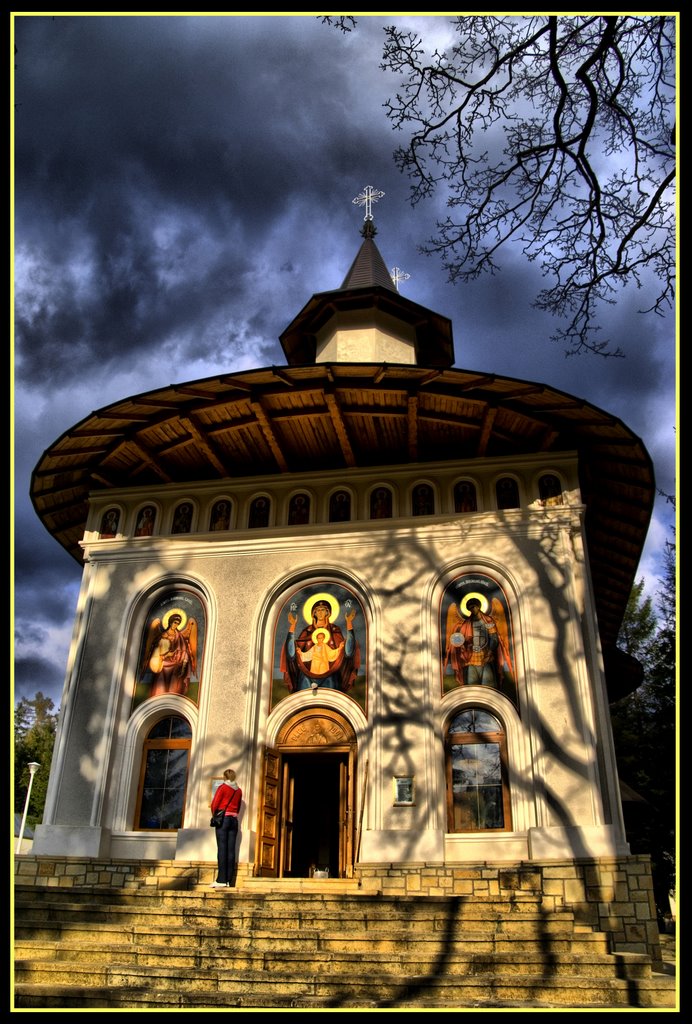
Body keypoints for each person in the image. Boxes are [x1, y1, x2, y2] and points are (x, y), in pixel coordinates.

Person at [281, 598, 359, 692]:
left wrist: (349, 623)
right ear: (314, 613)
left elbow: (346, 652)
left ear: (327, 612)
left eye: (323, 610)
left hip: (330, 675)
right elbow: (293, 653)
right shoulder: (307, 631)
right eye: (318, 610)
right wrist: (292, 626)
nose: (320, 612)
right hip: (307, 676)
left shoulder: (335, 630)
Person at [445, 597, 513, 687]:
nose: (472, 610)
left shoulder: (488, 621)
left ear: (478, 607)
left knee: (489, 685)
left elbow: (494, 638)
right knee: (472, 685)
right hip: (471, 656)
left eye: (473, 607)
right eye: (470, 608)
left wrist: (489, 652)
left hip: (486, 655)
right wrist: (461, 644)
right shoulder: (467, 623)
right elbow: (461, 640)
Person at [142, 611, 198, 696]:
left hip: (175, 663)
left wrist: (183, 664)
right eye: (175, 622)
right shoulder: (162, 635)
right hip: (163, 663)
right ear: (170, 622)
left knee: (174, 683)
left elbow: (183, 650)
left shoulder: (179, 636)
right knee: (160, 684)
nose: (176, 625)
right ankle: (158, 697)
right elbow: (157, 651)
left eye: (178, 623)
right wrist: (166, 655)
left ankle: (172, 696)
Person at [210, 769, 242, 888]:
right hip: (234, 820)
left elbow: (215, 804)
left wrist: (215, 815)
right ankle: (229, 880)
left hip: (223, 820)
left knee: (222, 849)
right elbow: (238, 807)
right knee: (231, 850)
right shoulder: (239, 791)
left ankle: (221, 880)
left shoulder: (222, 788)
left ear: (225, 777)